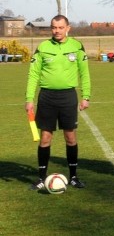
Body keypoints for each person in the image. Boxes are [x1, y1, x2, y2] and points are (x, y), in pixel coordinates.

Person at [25, 15, 91, 190]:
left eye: (60, 27)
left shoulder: (77, 47)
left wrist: (86, 96)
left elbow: (84, 73)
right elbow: (33, 75)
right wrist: (29, 99)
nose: (57, 31)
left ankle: (74, 177)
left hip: (68, 97)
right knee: (45, 137)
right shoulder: (43, 47)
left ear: (68, 28)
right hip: (47, 97)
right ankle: (41, 178)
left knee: (70, 137)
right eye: (54, 27)